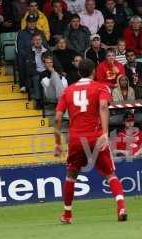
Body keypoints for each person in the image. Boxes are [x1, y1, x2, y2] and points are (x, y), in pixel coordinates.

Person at [54, 58, 128, 223]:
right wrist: (105, 132)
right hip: (95, 136)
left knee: (71, 175)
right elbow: (103, 106)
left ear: (79, 72)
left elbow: (58, 118)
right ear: (94, 71)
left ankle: (67, 214)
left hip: (75, 139)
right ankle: (121, 207)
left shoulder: (68, 90)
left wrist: (58, 142)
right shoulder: (101, 87)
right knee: (110, 174)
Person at [16, 14, 48, 92]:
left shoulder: (40, 32)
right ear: (26, 23)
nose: (32, 24)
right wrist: (29, 56)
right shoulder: (21, 33)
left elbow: (45, 46)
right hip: (27, 56)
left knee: (48, 58)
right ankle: (23, 84)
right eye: (30, 22)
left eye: (34, 22)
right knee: (21, 58)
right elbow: (20, 48)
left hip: (40, 55)